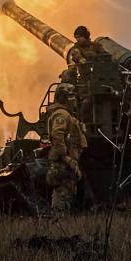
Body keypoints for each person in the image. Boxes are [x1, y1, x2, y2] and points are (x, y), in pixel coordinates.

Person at [45, 83, 87, 214]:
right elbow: (57, 135)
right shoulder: (61, 114)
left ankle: (62, 221)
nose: (74, 99)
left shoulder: (66, 114)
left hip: (69, 161)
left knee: (68, 191)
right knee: (62, 192)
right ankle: (58, 223)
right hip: (63, 163)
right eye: (70, 96)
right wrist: (67, 158)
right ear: (63, 98)